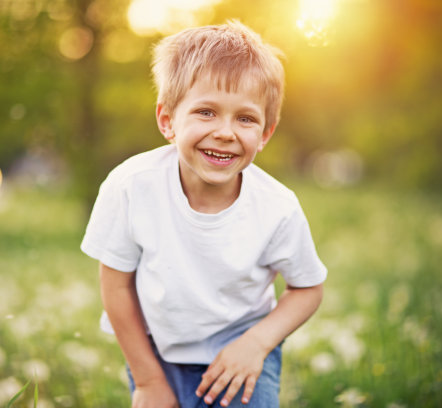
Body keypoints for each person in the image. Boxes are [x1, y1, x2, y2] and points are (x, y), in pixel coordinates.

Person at [81, 20, 327, 408]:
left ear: (265, 133)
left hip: (242, 351)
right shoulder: (131, 186)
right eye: (206, 112)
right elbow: (115, 286)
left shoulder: (277, 207)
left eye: (245, 118)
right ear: (167, 121)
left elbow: (308, 288)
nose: (226, 132)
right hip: (157, 352)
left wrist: (257, 344)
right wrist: (147, 380)